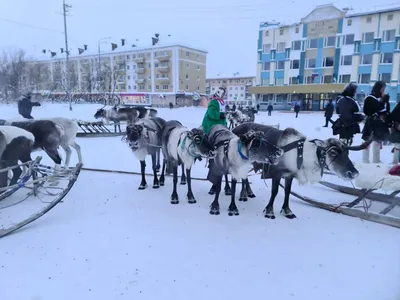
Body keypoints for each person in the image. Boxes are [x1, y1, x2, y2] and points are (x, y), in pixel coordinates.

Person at [201, 86, 231, 195]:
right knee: (215, 158)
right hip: (211, 129)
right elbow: (211, 114)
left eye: (225, 94)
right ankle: (214, 184)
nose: (224, 95)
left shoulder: (222, 102)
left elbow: (223, 118)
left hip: (221, 129)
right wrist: (222, 115)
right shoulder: (214, 102)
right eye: (223, 93)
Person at [361, 80, 390, 163]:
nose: (383, 91)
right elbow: (370, 110)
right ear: (378, 88)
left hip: (379, 123)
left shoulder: (380, 98)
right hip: (371, 122)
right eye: (382, 88)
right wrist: (383, 101)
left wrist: (386, 101)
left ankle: (376, 159)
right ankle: (365, 160)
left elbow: (385, 111)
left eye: (384, 89)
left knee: (377, 141)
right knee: (367, 140)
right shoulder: (370, 98)